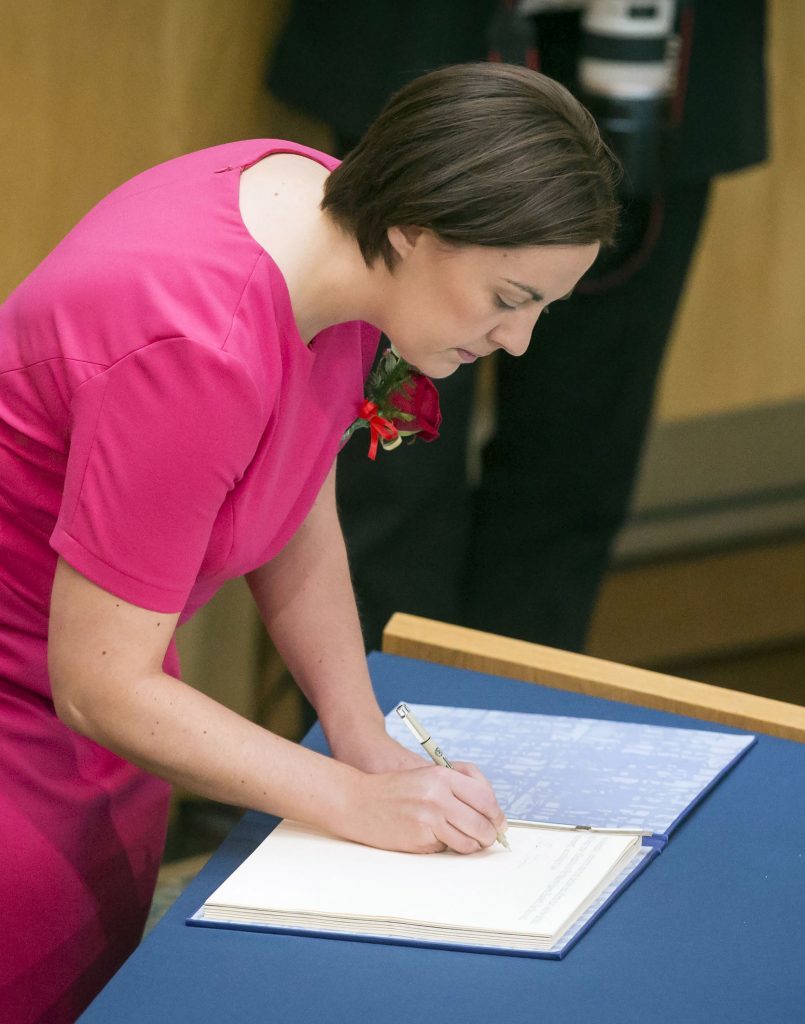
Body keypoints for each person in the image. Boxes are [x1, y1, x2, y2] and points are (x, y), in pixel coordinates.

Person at [0, 63, 618, 1021]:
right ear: (418, 227)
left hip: (99, 684)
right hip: (43, 705)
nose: (520, 339)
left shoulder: (319, 210)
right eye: (509, 296)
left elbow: (293, 492)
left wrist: (359, 734)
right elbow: (100, 685)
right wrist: (348, 799)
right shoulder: (197, 344)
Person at [268, 0, 768, 653]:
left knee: (575, 467)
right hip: (429, 41)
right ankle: (374, 733)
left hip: (657, 64)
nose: (516, 333)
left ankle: (513, 731)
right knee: (383, 473)